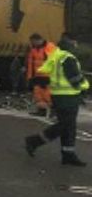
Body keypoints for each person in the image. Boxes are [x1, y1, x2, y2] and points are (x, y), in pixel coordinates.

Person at [24, 37, 89, 166]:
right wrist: (84, 88)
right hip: (68, 97)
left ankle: (68, 154)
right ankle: (34, 141)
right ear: (70, 47)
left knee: (68, 126)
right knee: (65, 125)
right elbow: (75, 79)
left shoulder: (56, 56)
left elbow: (46, 73)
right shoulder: (68, 58)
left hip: (58, 95)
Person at [25, 33, 56, 117]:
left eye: (33, 41)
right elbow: (30, 64)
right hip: (37, 76)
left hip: (48, 76)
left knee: (49, 96)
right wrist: (29, 77)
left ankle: (54, 112)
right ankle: (41, 111)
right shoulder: (33, 49)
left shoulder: (50, 47)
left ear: (37, 40)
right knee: (38, 95)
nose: (32, 43)